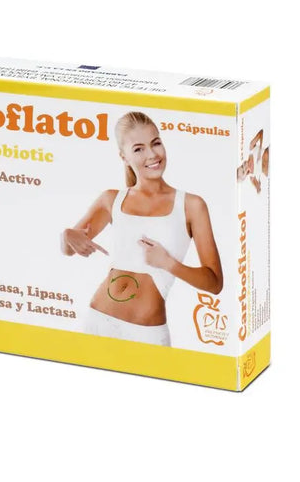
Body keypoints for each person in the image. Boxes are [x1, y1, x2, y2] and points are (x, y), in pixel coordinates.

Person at [60, 111, 223, 347]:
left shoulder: (191, 205)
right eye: (138, 149)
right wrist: (67, 234)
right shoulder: (111, 199)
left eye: (156, 143)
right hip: (98, 321)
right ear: (124, 157)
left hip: (146, 334)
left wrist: (168, 263)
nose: (152, 154)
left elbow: (214, 283)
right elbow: (67, 249)